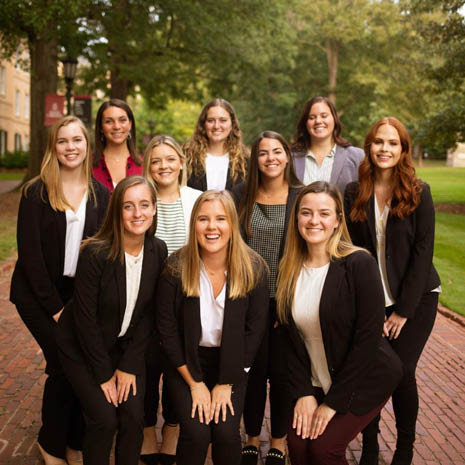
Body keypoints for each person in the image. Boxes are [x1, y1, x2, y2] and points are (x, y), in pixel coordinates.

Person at [276, 182, 402, 465]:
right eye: (306, 213)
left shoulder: (358, 264)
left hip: (365, 377)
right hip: (315, 379)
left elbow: (367, 341)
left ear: (337, 220)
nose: (314, 221)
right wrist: (304, 393)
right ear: (296, 218)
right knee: (297, 446)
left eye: (323, 213)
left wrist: (333, 403)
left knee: (323, 450)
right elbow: (287, 339)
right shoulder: (289, 269)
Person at [10, 116, 109, 465]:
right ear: (54, 147)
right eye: (63, 141)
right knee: (65, 364)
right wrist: (55, 308)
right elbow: (31, 257)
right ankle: (52, 445)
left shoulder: (102, 194)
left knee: (75, 367)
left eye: (77, 140)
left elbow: (103, 251)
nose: (71, 147)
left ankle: (73, 443)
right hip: (37, 295)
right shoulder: (36, 191)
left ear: (87, 145)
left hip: (77, 295)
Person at [344, 117, 441, 465]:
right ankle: (369, 447)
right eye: (379, 142)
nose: (385, 149)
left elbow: (422, 253)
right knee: (371, 370)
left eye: (393, 143)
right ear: (369, 146)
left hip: (416, 299)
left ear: (403, 150)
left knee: (402, 370)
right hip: (373, 301)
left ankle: (404, 450)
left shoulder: (419, 192)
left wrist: (403, 310)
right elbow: (354, 253)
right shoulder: (354, 193)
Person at [56, 176, 167, 465]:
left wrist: (129, 365)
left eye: (144, 205)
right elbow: (85, 320)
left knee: (133, 416)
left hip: (124, 345)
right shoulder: (96, 253)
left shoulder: (158, 251)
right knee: (105, 419)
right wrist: (104, 374)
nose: (137, 213)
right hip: (82, 347)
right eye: (128, 206)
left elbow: (149, 314)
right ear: (117, 211)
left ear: (154, 209)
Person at [156, 190, 269, 465]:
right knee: (195, 434)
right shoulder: (175, 267)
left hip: (232, 362)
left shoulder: (254, 268)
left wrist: (226, 382)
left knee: (226, 434)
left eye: (220, 218)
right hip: (185, 361)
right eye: (203, 219)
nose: (212, 227)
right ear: (193, 223)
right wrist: (195, 384)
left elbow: (254, 333)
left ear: (232, 223)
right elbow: (167, 331)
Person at [231, 131, 302, 465]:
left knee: (282, 374)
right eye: (263, 153)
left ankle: (278, 441)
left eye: (277, 151)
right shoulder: (241, 197)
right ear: (254, 159)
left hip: (288, 301)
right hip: (249, 300)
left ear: (287, 156)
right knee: (253, 372)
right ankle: (251, 437)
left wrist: (285, 305)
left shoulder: (301, 197)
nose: (270, 158)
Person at [140, 134, 202, 465]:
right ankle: (148, 430)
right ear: (148, 166)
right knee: (147, 370)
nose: (163, 166)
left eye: (169, 159)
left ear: (181, 162)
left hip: (186, 300)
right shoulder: (141, 199)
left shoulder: (197, 199)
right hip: (145, 301)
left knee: (180, 369)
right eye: (156, 160)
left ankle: (173, 429)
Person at [292, 96, 364, 194]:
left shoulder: (357, 156)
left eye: (324, 116)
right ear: (305, 123)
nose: (318, 121)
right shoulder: (291, 158)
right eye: (312, 117)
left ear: (334, 118)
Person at [184, 98, 248, 191]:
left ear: (232, 124)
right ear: (203, 124)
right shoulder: (187, 156)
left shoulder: (244, 160)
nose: (216, 126)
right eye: (211, 120)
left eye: (223, 120)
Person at [93, 99, 142, 191]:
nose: (116, 126)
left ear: (130, 124)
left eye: (122, 120)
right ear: (101, 127)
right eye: (109, 121)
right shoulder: (87, 166)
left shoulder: (144, 165)